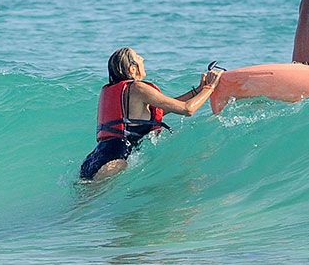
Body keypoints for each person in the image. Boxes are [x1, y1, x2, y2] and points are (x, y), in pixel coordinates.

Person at [79, 47, 222, 181]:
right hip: (115, 160)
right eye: (138, 56)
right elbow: (187, 109)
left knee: (83, 205)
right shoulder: (137, 88)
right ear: (132, 68)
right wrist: (211, 87)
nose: (142, 59)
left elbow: (166, 107)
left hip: (94, 158)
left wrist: (198, 90)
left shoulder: (116, 91)